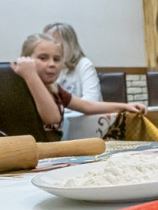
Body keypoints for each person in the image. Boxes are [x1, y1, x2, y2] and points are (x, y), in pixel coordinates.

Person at [11, 33, 146, 142]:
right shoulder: (21, 86)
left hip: (51, 152)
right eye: (43, 58)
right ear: (26, 60)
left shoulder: (54, 89)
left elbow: (88, 106)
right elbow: (52, 118)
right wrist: (31, 75)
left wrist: (125, 106)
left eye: (57, 59)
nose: (51, 64)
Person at [43, 22, 103, 116]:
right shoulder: (46, 66)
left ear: (67, 45)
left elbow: (92, 101)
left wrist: (62, 107)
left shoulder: (84, 64)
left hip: (84, 120)